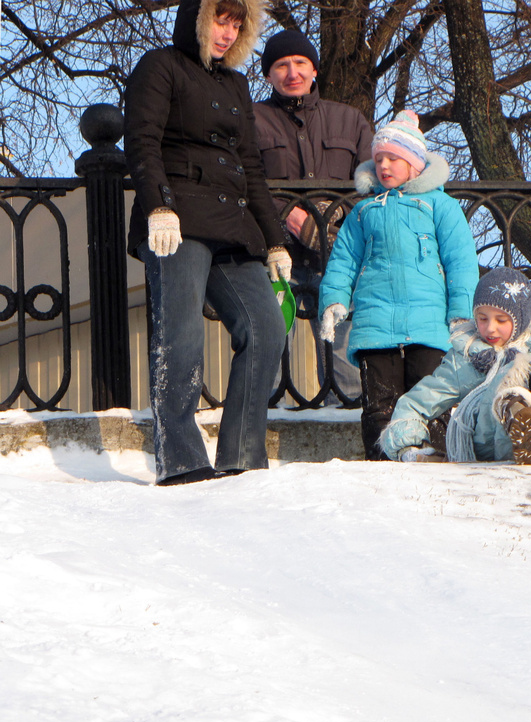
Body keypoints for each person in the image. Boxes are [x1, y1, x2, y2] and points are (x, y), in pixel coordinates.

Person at [124, 0, 291, 486]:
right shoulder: (161, 66)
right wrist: (158, 205)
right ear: (199, 18)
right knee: (181, 337)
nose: (227, 32)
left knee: (266, 328)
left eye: (237, 24)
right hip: (176, 221)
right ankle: (181, 461)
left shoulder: (236, 84)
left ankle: (242, 455)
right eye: (221, 20)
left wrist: (275, 241)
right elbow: (142, 140)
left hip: (232, 227)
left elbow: (252, 169)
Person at [318, 110, 481, 460]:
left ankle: (434, 456)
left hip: (428, 323)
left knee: (430, 398)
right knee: (380, 403)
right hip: (375, 322)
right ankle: (382, 462)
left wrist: (461, 314)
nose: (385, 166)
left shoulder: (440, 206)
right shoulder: (363, 212)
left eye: (394, 158)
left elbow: (461, 263)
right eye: (379, 159)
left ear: (416, 165)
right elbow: (343, 261)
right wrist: (333, 301)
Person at [379, 266, 531, 465]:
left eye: (501, 320)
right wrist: (408, 445)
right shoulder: (467, 356)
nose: (490, 328)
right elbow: (420, 400)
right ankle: (516, 413)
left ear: (521, 320)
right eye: (482, 319)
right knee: (507, 377)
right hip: (491, 440)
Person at [254, 29, 373, 404]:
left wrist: (329, 221)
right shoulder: (250, 121)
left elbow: (372, 184)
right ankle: (262, 429)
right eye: (281, 65)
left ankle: (348, 426)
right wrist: (287, 217)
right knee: (267, 351)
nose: (292, 73)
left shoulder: (351, 120)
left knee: (345, 366)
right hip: (274, 255)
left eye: (301, 63)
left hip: (337, 258)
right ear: (268, 75)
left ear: (315, 69)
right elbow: (243, 179)